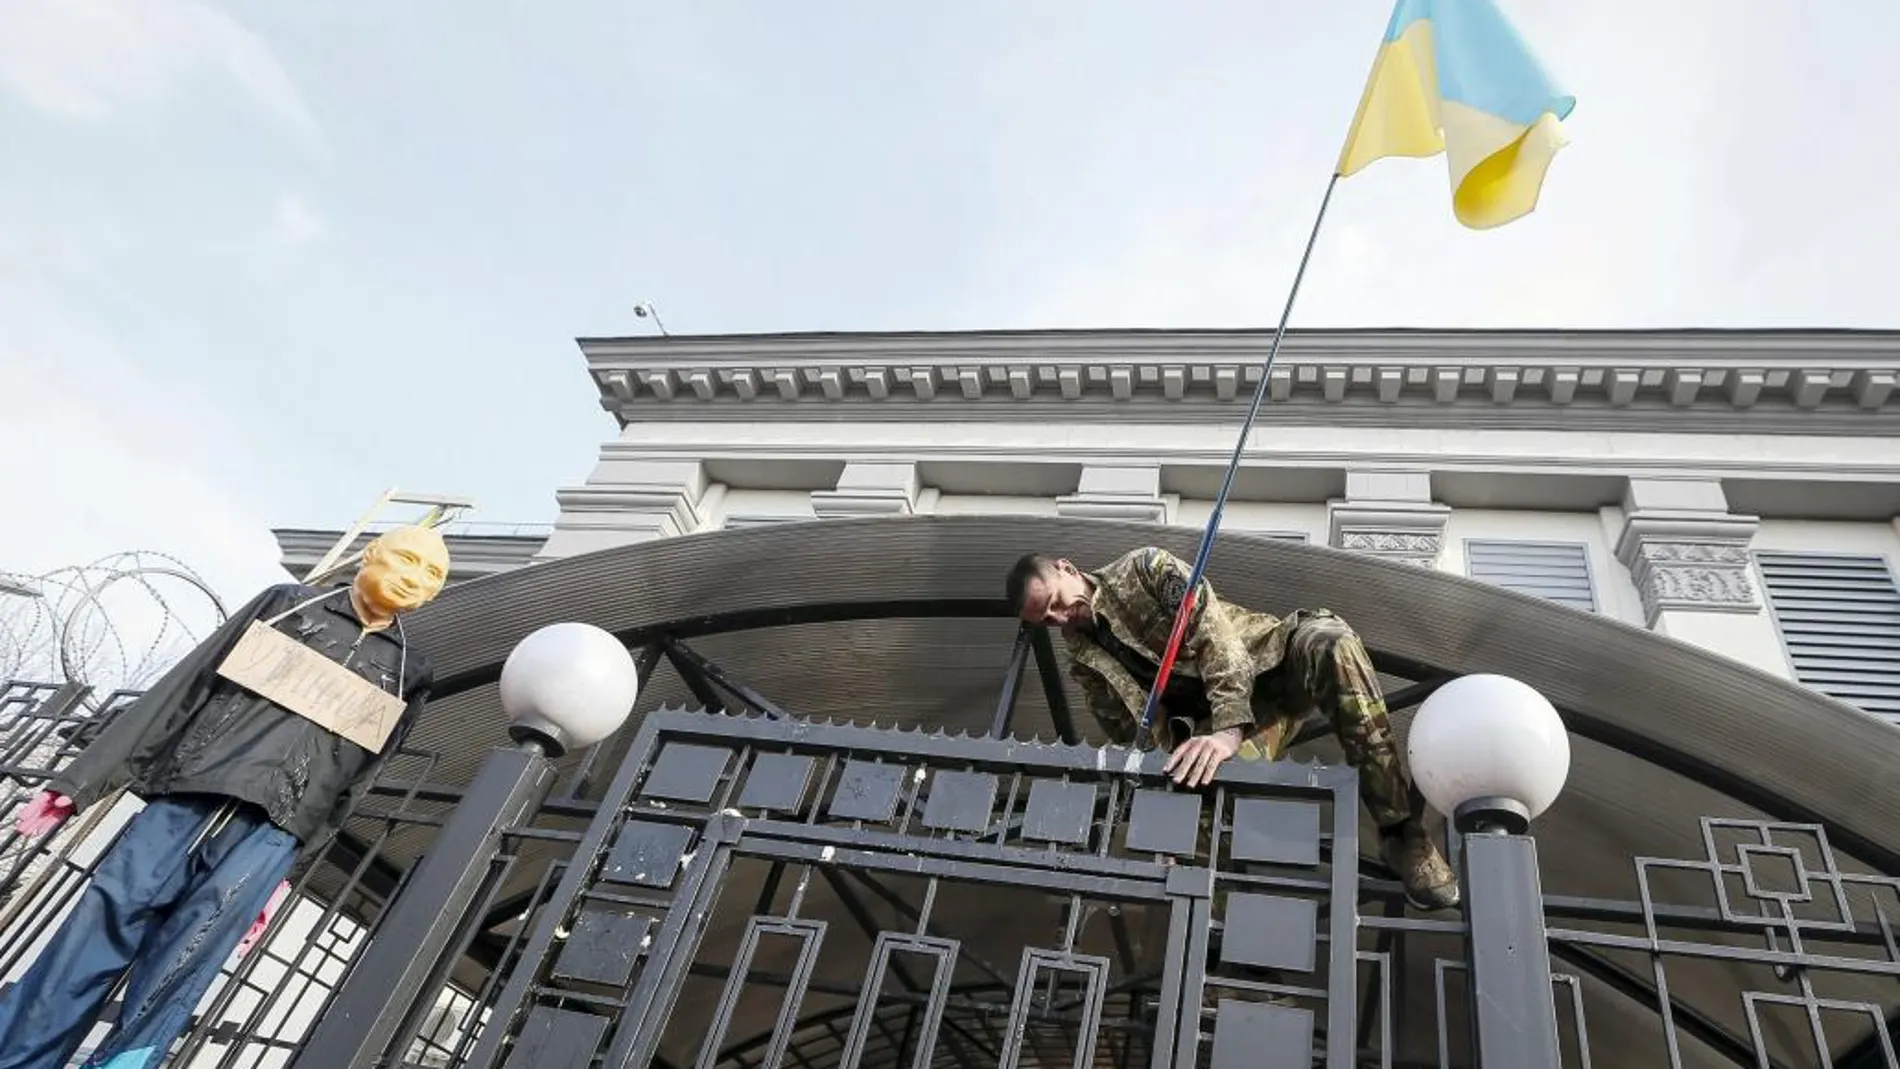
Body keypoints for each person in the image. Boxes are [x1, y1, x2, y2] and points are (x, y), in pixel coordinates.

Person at [0, 526, 451, 1069]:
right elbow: (188, 683)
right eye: (406, 558)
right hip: (189, 795)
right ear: (371, 554)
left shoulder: (409, 673)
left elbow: (357, 780)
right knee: (96, 932)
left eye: (432, 575)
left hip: (273, 833)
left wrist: (285, 870)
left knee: (186, 963)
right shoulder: (288, 607)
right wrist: (80, 783)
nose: (414, 577)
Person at [1006, 546, 1459, 910]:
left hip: (1272, 663)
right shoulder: (1083, 661)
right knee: (1192, 809)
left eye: (1056, 603)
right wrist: (1166, 821)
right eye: (1046, 620)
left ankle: (1403, 834)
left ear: (1067, 568)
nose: (1060, 619)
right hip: (1232, 729)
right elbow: (1129, 737)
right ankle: (1247, 968)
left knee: (1332, 644)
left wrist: (1228, 727)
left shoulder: (1145, 568)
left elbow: (1214, 636)